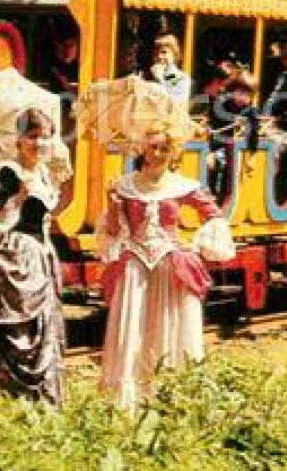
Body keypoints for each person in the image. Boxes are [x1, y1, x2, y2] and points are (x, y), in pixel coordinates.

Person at [97, 126, 235, 411]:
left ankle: (168, 393)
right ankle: (129, 401)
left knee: (169, 324)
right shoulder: (124, 185)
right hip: (135, 261)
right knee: (133, 325)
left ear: (173, 153)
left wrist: (193, 246)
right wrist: (112, 206)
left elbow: (213, 215)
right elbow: (111, 230)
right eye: (153, 147)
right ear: (142, 150)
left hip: (169, 261)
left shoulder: (183, 185)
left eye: (164, 148)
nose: (158, 153)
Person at [0, 108, 73, 404]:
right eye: (32, 136)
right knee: (20, 332)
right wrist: (17, 199)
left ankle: (43, 400)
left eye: (45, 136)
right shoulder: (9, 172)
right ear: (19, 139)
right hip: (17, 256)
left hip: (42, 256)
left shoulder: (43, 172)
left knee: (44, 328)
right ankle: (15, 399)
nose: (39, 143)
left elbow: (47, 217)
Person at [148, 33, 192, 109]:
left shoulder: (181, 78)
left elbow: (173, 107)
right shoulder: (148, 76)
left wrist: (160, 79)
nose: (159, 57)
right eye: (156, 53)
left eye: (164, 52)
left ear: (174, 54)